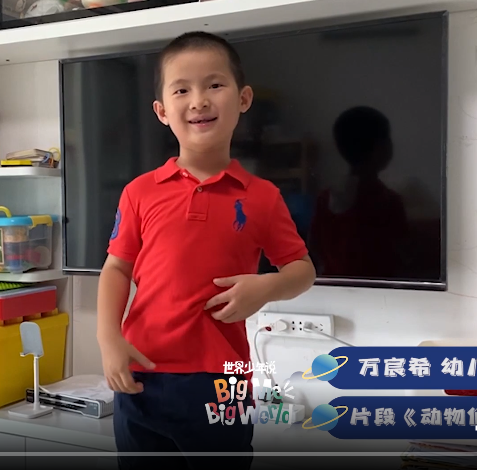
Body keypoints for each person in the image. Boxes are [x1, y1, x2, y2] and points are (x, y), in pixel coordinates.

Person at [97, 32, 316, 469]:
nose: (198, 101)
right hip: (142, 373)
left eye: (214, 85)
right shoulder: (139, 192)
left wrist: (266, 287)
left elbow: (302, 269)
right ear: (162, 111)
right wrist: (108, 339)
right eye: (181, 90)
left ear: (243, 98)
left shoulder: (262, 196)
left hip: (223, 381)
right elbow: (116, 269)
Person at [309, 106, 408, 279]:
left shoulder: (324, 198)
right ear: (380, 147)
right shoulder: (387, 201)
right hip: (378, 289)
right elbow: (402, 254)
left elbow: (314, 247)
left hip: (331, 286)